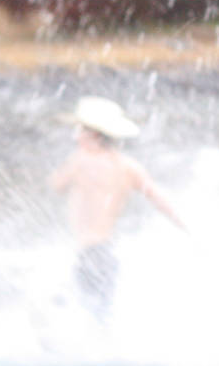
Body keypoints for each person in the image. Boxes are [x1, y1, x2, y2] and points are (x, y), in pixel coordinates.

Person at [47, 96, 184, 322]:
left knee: (69, 312)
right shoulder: (129, 167)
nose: (76, 136)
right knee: (100, 318)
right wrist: (186, 229)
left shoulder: (79, 161)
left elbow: (56, 185)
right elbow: (161, 200)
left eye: (80, 130)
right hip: (108, 254)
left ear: (94, 135)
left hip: (87, 254)